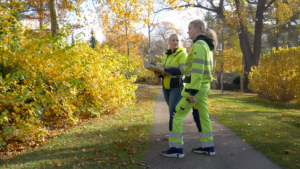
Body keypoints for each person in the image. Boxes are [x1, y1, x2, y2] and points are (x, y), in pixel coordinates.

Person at [161, 19, 218, 158]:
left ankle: (176, 150)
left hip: (196, 87)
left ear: (198, 29)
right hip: (204, 86)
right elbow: (193, 68)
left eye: (190, 28)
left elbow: (197, 70)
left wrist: (192, 91)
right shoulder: (206, 45)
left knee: (176, 115)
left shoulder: (199, 45)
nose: (188, 31)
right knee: (203, 117)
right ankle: (208, 147)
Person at [154, 34, 187, 139]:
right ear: (169, 42)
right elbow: (165, 70)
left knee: (174, 111)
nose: (175, 42)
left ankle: (177, 137)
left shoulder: (182, 54)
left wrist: (166, 71)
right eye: (173, 40)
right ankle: (173, 134)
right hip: (166, 86)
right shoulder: (166, 55)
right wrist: (159, 73)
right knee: (171, 110)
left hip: (176, 86)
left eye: (177, 40)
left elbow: (182, 70)